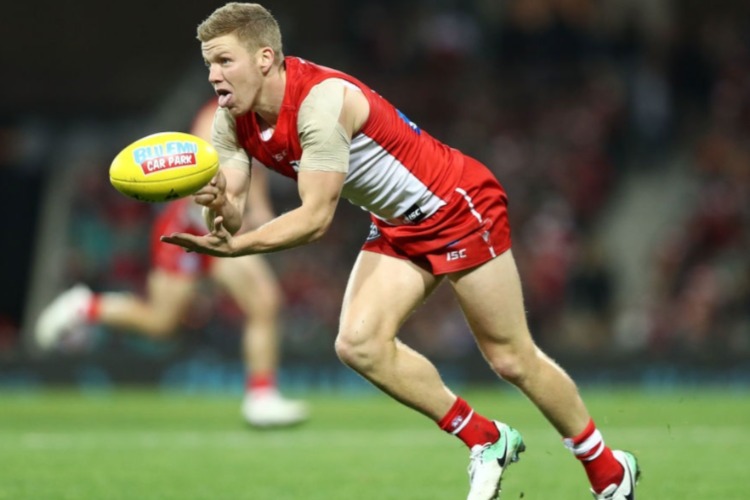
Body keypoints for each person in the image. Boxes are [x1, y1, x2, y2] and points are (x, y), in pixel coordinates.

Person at [162, 3, 640, 498]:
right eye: (209, 65)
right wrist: (219, 208)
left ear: (264, 58)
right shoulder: (229, 118)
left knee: (510, 359)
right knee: (358, 345)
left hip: (457, 205)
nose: (214, 76)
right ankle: (486, 439)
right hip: (397, 225)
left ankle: (606, 468)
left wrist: (235, 248)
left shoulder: (320, 103)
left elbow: (315, 219)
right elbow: (235, 203)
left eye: (223, 61)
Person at [35, 98, 309, 428]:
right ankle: (86, 307)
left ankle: (261, 397)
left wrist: (259, 209)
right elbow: (197, 185)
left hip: (220, 228)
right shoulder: (216, 117)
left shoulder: (260, 119)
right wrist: (232, 217)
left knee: (264, 302)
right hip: (189, 228)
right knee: (161, 323)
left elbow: (257, 168)